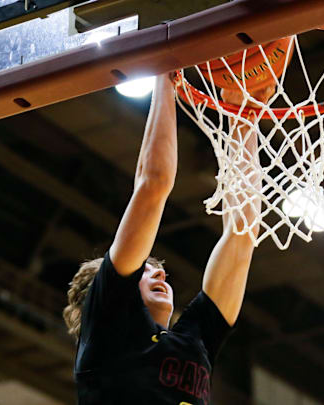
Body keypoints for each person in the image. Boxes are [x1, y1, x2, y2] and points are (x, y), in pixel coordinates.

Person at [63, 73, 274, 404]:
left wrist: (242, 114)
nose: (160, 272)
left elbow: (243, 230)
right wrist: (165, 75)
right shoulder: (108, 330)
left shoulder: (194, 340)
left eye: (153, 268)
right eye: (145, 269)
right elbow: (154, 183)